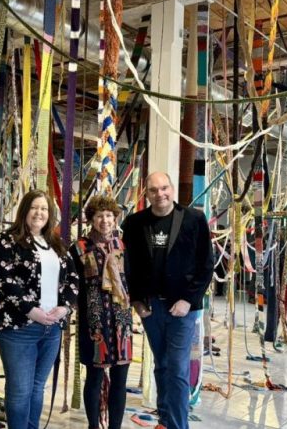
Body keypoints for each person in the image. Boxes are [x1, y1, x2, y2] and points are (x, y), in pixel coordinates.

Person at [121, 172, 213, 429]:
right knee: (161, 365)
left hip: (182, 308)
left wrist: (188, 299)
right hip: (152, 308)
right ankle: (165, 419)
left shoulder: (194, 219)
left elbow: (205, 265)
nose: (160, 194)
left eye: (164, 188)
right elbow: (129, 267)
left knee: (177, 368)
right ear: (146, 194)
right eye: (153, 190)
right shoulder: (135, 224)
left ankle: (177, 425)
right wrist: (137, 301)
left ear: (171, 189)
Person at [0, 190, 79, 429]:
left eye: (44, 209)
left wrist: (65, 308)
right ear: (25, 211)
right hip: (19, 327)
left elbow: (72, 278)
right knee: (20, 390)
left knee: (38, 387)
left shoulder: (56, 244)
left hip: (51, 329)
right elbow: (3, 279)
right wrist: (31, 310)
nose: (39, 213)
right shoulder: (7, 241)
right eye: (34, 207)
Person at [69, 195, 132, 429]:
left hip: (122, 320)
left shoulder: (125, 246)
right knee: (94, 377)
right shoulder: (79, 248)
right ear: (91, 219)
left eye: (109, 215)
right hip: (93, 321)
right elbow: (71, 283)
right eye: (99, 216)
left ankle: (115, 426)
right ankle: (93, 426)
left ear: (115, 218)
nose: (104, 220)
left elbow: (133, 279)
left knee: (120, 378)